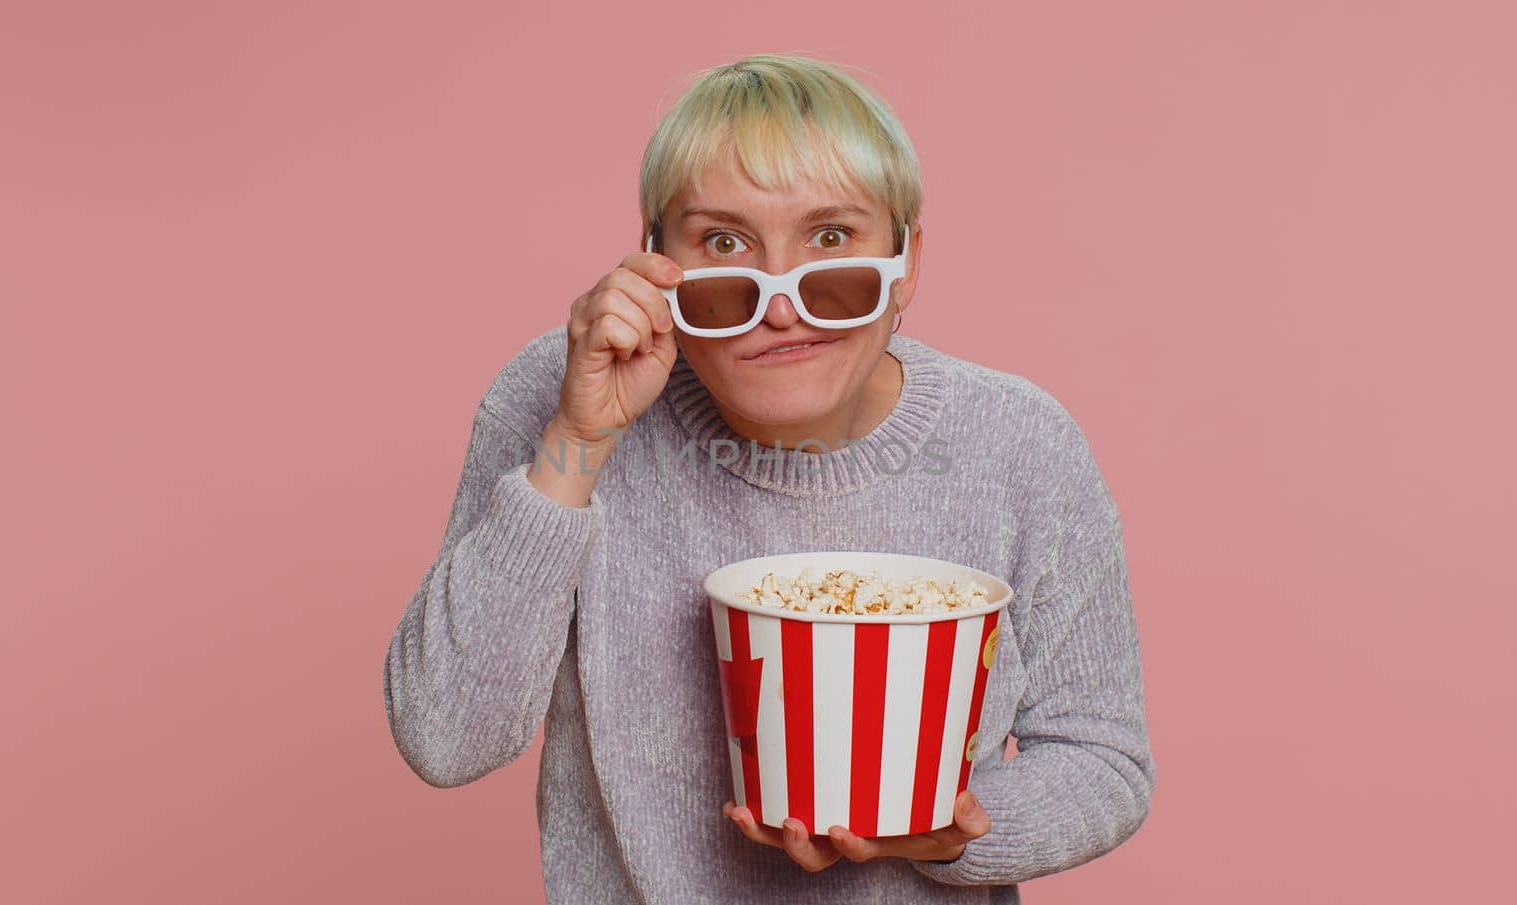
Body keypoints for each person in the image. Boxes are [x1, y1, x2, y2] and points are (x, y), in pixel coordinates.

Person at [383, 53, 1153, 904]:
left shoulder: (1019, 446)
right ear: (653, 265)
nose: (781, 303)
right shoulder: (564, 393)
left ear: (906, 263)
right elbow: (447, 737)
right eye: (723, 242)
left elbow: (1102, 758)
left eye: (830, 240)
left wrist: (944, 829)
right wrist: (578, 439)